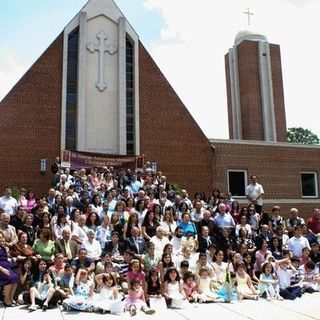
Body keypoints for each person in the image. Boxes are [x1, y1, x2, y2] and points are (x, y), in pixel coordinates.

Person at [0, 231, 19, 306]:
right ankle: (6, 299)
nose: (0, 239)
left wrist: (11, 259)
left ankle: (11, 298)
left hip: (7, 267)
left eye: (1, 237)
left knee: (16, 277)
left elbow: (5, 258)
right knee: (10, 278)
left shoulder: (3, 248)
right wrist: (2, 269)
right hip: (1, 269)